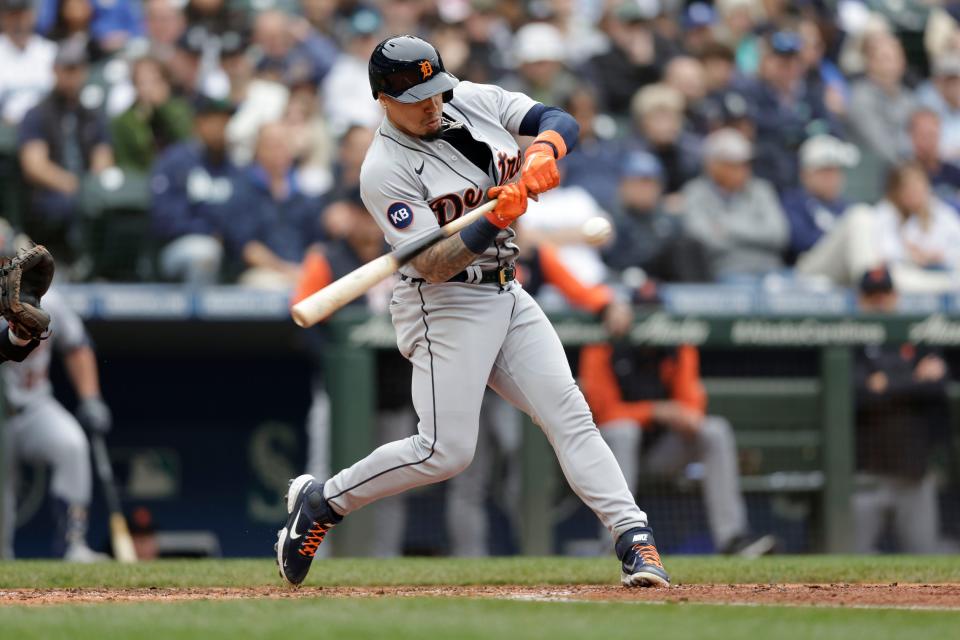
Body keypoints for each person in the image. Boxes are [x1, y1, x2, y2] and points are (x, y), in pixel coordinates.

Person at [275, 35, 670, 589]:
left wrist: (544, 149)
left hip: (507, 290)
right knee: (445, 452)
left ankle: (635, 541)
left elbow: (557, 118)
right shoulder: (383, 168)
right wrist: (492, 217)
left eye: (434, 90)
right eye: (416, 97)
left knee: (569, 415)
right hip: (444, 302)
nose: (432, 104)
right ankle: (324, 501)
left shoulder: (470, 98)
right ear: (383, 100)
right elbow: (433, 263)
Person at [580, 341, 777, 557]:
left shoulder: (678, 345)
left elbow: (691, 407)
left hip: (659, 454)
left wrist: (683, 415)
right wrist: (653, 411)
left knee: (715, 431)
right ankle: (615, 543)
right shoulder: (602, 344)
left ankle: (732, 539)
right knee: (625, 432)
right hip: (610, 455)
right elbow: (602, 412)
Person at [2, 283, 111, 560]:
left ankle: (72, 544)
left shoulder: (49, 299)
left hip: (35, 405)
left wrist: (91, 398)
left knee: (71, 444)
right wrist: (17, 337)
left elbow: (77, 345)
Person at [853, 267, 950, 553]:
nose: (880, 300)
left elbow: (937, 386)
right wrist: (912, 378)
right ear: (860, 300)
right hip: (863, 477)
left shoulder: (917, 335)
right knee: (848, 567)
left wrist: (887, 383)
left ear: (896, 296)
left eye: (885, 293)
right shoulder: (850, 338)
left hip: (913, 475)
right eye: (872, 295)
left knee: (927, 567)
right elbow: (858, 392)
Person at [18, 35, 113, 265]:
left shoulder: (91, 115)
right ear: (55, 70)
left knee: (111, 207)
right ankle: (71, 263)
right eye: (67, 69)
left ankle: (104, 268)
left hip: (86, 190)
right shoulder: (38, 113)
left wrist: (92, 186)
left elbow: (104, 157)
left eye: (77, 69)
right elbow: (35, 165)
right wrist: (74, 185)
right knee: (69, 206)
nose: (72, 76)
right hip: (50, 195)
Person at [150, 94, 239, 285]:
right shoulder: (175, 162)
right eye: (215, 121)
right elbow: (163, 218)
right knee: (204, 252)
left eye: (225, 122)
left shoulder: (233, 167)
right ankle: (200, 315)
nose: (221, 129)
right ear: (199, 123)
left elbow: (244, 213)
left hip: (228, 249)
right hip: (179, 248)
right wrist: (207, 231)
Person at [681, 128, 788, 281]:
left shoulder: (761, 190)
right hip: (722, 272)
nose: (743, 170)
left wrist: (726, 227)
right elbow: (704, 240)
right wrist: (755, 233)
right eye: (733, 164)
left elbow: (778, 235)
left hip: (771, 271)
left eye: (745, 163)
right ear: (712, 165)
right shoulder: (694, 192)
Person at [226, 121, 324, 288]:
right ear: (257, 150)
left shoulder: (304, 194)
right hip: (262, 273)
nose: (278, 151)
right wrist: (286, 271)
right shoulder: (242, 190)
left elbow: (317, 243)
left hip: (301, 271)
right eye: (271, 145)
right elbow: (247, 247)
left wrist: (307, 269)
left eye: (283, 144)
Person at [603, 151, 708, 282]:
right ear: (623, 185)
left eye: (650, 183)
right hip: (622, 282)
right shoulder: (610, 217)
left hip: (665, 284)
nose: (645, 190)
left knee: (687, 246)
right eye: (639, 183)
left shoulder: (668, 217)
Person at [781, 134, 860, 264]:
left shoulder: (847, 206)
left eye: (836, 171)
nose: (833, 178)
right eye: (825, 172)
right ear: (805, 174)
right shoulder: (793, 203)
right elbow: (800, 242)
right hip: (807, 268)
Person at [110, 56, 193, 172]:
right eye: (143, 82)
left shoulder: (181, 109)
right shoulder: (123, 121)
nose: (150, 88)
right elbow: (134, 156)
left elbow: (186, 140)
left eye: (155, 81)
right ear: (135, 86)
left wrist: (162, 108)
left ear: (166, 83)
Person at [0, 0, 56, 126]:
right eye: (12, 15)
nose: (18, 22)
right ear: (2, 19)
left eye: (22, 15)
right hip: (6, 128)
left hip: (46, 127)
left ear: (32, 16)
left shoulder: (49, 51)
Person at [908, 108, 960, 211]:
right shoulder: (903, 175)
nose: (928, 142)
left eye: (932, 135)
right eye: (923, 135)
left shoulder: (953, 172)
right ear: (911, 136)